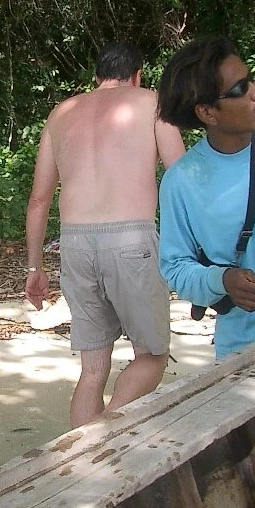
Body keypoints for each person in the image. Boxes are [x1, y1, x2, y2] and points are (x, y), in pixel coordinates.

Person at [25, 42, 185, 427]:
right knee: (152, 356)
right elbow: (181, 178)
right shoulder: (153, 102)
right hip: (132, 240)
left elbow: (38, 199)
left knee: (93, 369)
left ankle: (81, 457)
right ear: (137, 75)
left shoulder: (61, 113)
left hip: (75, 244)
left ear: (96, 77)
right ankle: (102, 435)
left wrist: (34, 267)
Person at [158, 35, 255, 359]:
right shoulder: (182, 182)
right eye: (240, 89)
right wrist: (223, 279)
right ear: (208, 112)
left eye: (250, 80)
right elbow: (176, 268)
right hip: (251, 362)